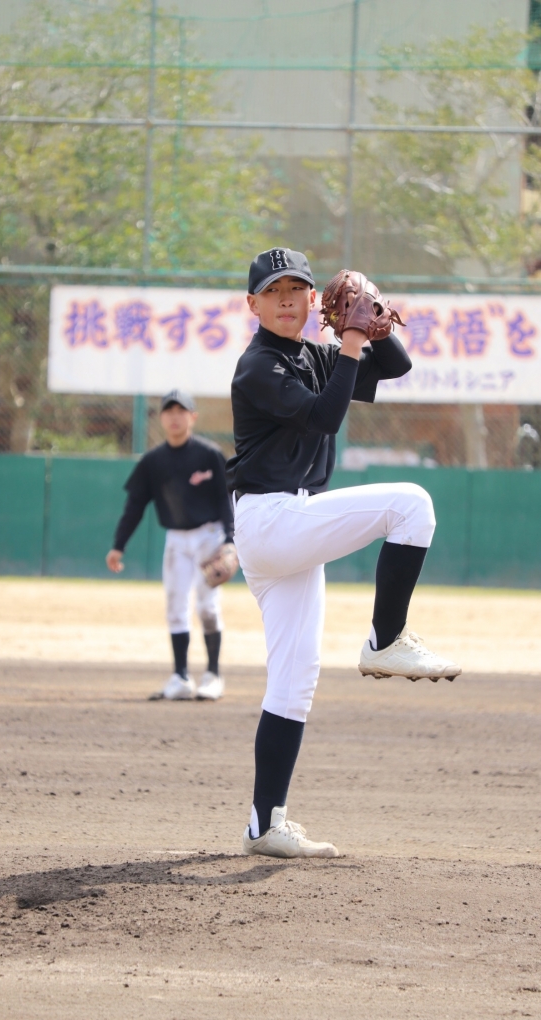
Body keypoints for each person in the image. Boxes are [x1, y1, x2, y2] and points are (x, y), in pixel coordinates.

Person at [227, 247, 461, 859]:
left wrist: (374, 316)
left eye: (295, 289)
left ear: (314, 301)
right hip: (272, 518)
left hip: (289, 531)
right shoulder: (258, 366)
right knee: (411, 505)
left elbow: (397, 366)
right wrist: (352, 340)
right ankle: (386, 640)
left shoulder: (315, 354)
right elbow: (326, 418)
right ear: (252, 305)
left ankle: (264, 824)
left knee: (293, 682)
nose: (285, 299)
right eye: (272, 291)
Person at [106, 389, 234, 701]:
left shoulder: (209, 454)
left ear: (193, 417)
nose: (175, 417)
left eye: (181, 411)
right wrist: (118, 545)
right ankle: (180, 677)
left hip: (209, 536)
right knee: (176, 607)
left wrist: (231, 539)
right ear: (161, 418)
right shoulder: (153, 461)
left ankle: (213, 675)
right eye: (169, 411)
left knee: (207, 606)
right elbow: (135, 506)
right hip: (176, 539)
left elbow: (225, 498)